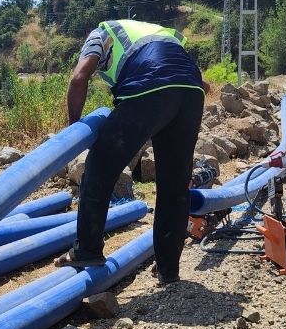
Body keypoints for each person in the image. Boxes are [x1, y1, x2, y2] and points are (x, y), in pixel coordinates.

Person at [57, 19, 210, 284]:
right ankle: (168, 270)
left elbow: (79, 78)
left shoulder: (101, 33)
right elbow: (200, 83)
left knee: (99, 168)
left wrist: (74, 129)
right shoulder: (157, 32)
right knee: (174, 187)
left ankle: (86, 251)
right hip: (191, 91)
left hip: (151, 84)